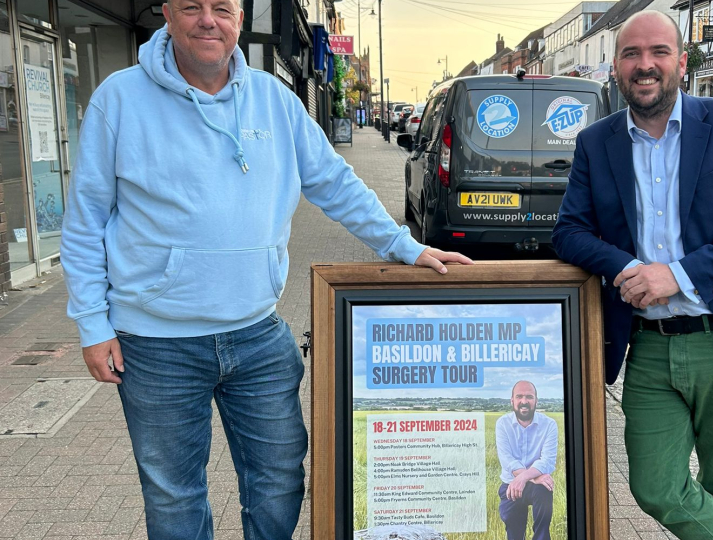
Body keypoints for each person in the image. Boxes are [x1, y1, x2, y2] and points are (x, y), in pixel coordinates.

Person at [59, 1, 472, 539]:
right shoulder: (119, 100)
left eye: (222, 8)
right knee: (173, 495)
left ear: (238, 16)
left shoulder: (276, 100)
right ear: (166, 14)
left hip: (258, 335)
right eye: (192, 7)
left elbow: (334, 182)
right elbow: (85, 219)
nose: (208, 20)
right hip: (155, 344)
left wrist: (404, 245)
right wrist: (93, 323)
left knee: (280, 480)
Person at [551, 11, 713, 540]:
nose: (646, 65)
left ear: (682, 62)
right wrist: (629, 267)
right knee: (656, 487)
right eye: (631, 54)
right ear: (615, 67)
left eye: (659, 52)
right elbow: (569, 231)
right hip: (649, 346)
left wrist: (679, 275)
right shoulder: (596, 142)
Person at [495, 381, 558, 540]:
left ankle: (541, 537)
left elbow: (548, 461)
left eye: (529, 397)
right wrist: (534, 476)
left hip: (537, 487)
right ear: (512, 401)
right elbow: (507, 460)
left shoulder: (549, 425)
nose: (524, 401)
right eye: (519, 396)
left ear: (536, 400)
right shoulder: (502, 424)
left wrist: (523, 478)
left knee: (544, 488)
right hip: (511, 484)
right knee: (514, 531)